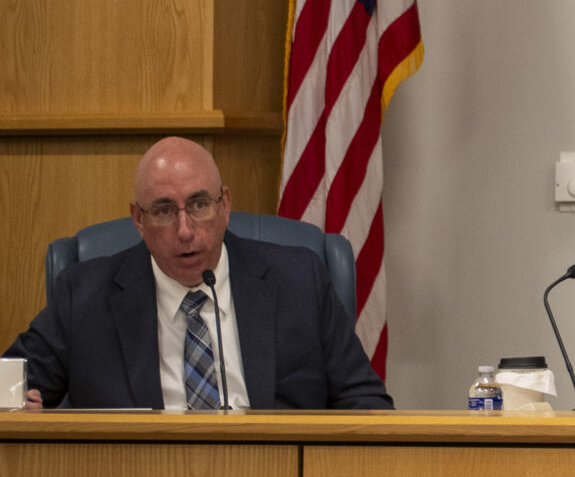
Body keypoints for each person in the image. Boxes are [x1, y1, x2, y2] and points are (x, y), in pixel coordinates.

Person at [7, 137, 391, 411]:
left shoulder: (298, 280)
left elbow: (366, 402)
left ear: (225, 204)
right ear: (138, 220)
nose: (186, 230)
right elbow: (9, 388)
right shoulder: (84, 296)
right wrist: (15, 407)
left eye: (200, 204)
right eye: (163, 211)